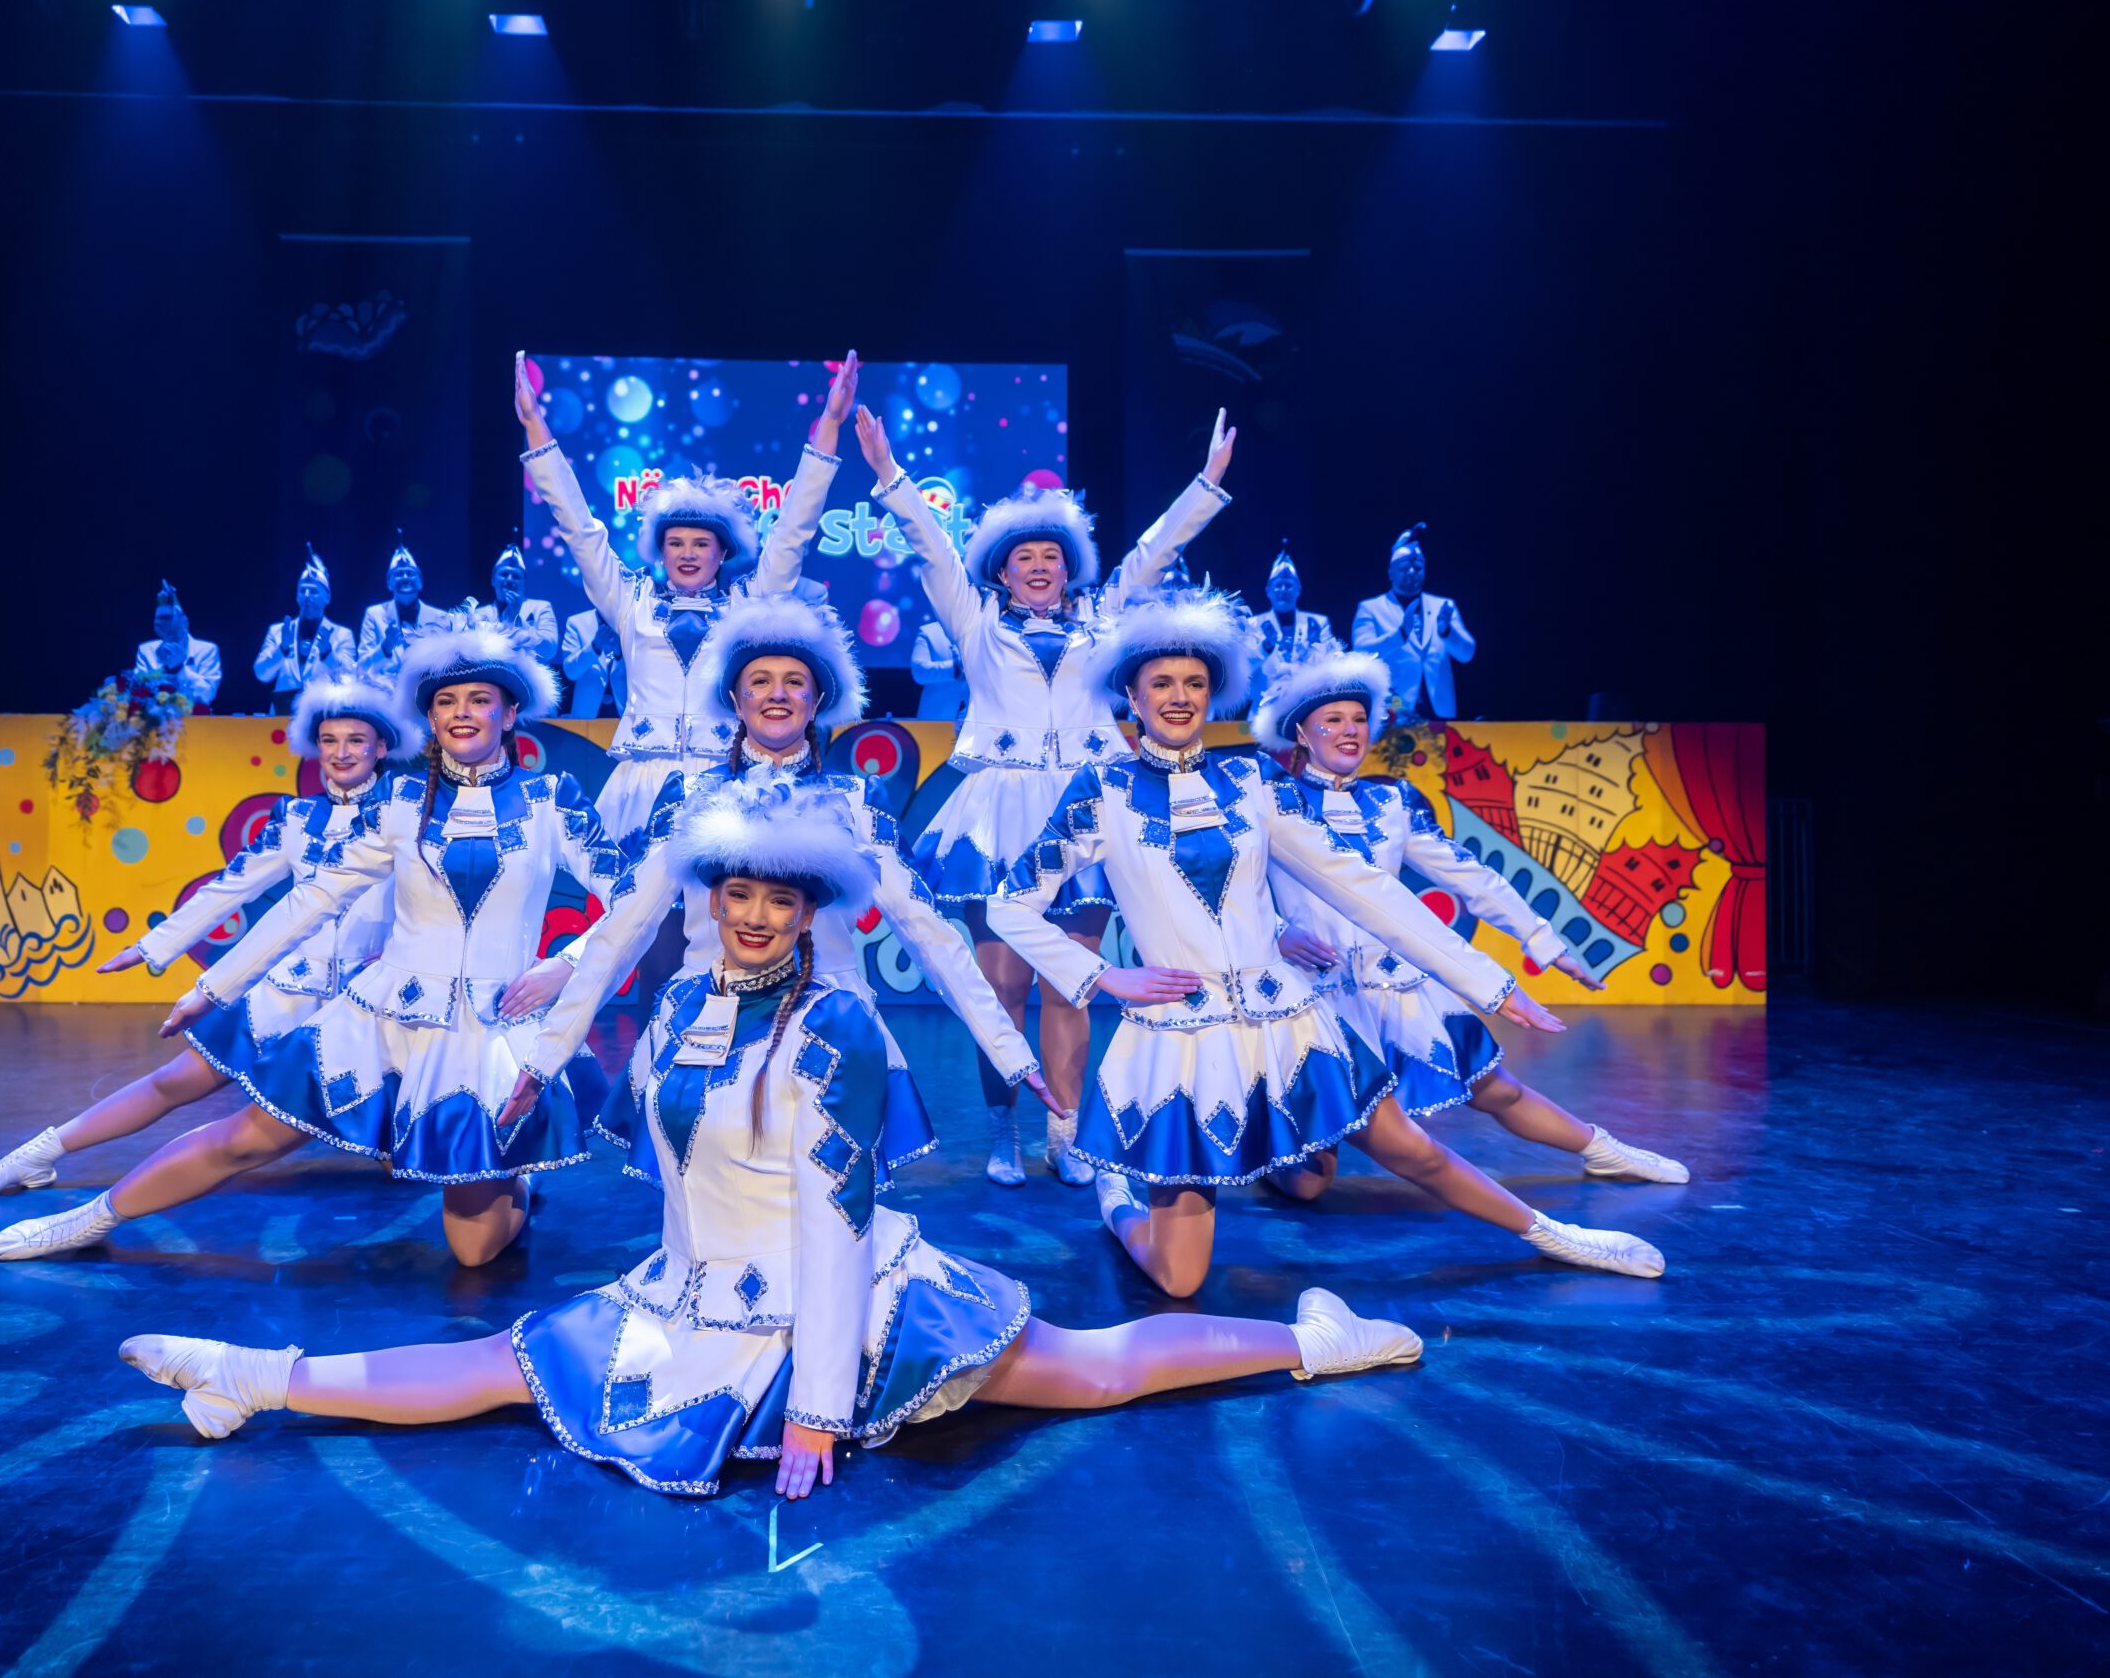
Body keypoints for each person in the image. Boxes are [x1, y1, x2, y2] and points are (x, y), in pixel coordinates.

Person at [117, 779, 1428, 1498]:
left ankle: (1314, 1339)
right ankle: (256, 1375)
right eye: (736, 894)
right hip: (689, 1298)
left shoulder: (841, 1028)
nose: (752, 916)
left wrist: (815, 1407)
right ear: (713, 900)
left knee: (1088, 1371)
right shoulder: (678, 1005)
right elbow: (678, 1174)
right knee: (499, 1363)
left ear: (810, 914)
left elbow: (835, 1221)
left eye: (778, 902)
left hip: (843, 1309)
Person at [985, 590, 1666, 1297]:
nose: (1179, 697)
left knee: (1414, 1150)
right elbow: (1008, 904)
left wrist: (1490, 984)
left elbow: (1367, 890)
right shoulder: (1101, 789)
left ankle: (1554, 1233)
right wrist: (1102, 975)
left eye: (1194, 683)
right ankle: (1118, 1202)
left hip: (1292, 1024)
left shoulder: (1249, 779)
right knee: (1180, 1280)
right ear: (1133, 695)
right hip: (1182, 1040)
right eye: (1162, 683)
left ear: (1212, 695)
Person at [0, 627, 618, 1267]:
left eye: (480, 700)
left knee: (474, 1252)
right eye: (447, 702)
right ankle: (90, 1218)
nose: (462, 713)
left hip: (489, 1033)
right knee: (245, 1140)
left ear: (509, 714)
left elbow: (632, 899)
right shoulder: (399, 803)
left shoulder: (552, 800)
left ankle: (516, 1179)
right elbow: (308, 901)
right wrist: (212, 989)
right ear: (430, 718)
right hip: (381, 1020)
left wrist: (565, 966)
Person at [496, 593, 1062, 1177]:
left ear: (816, 701)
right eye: (760, 681)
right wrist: (547, 1057)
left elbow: (929, 933)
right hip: (706, 1025)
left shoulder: (854, 801)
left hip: (828, 1030)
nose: (777, 694)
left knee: (825, 1213)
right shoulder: (691, 797)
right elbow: (624, 928)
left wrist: (1008, 1049)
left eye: (795, 682)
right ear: (735, 700)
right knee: (707, 1212)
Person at [859, 404, 1236, 1187]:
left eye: (1051, 557)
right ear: (1000, 571)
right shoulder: (975, 621)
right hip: (998, 817)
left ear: (1069, 568)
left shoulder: (1103, 618)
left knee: (1074, 982)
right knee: (1003, 986)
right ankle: (1004, 1130)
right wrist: (889, 473)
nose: (1038, 567)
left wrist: (1206, 483)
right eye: (1024, 557)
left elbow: (1155, 553)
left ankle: (1064, 1132)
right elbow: (930, 546)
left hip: (1084, 814)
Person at [0, 674, 404, 1205]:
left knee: (404, 1146)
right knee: (174, 1082)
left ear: (381, 747)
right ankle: (35, 1155)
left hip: (371, 1000)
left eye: (356, 740)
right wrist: (152, 948)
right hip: (288, 990)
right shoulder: (297, 818)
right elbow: (229, 887)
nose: (342, 752)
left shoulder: (408, 816)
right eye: (330, 740)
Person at [1249, 650, 1689, 1196]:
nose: (1349, 730)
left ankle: (1604, 1150)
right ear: (1301, 733)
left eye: (1358, 718)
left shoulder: (1390, 803)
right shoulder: (1271, 803)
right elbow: (1231, 886)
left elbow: (1472, 876)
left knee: (1498, 1090)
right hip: (1319, 997)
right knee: (1310, 1184)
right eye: (1332, 720)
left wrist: (1545, 942)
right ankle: (1270, 1148)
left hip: (1396, 987)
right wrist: (1278, 933)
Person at [515, 348, 859, 853]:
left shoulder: (747, 604)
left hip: (727, 781)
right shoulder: (630, 600)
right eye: (675, 543)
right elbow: (579, 528)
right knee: (631, 898)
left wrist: (830, 424)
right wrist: (535, 427)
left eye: (701, 543)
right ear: (660, 551)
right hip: (640, 782)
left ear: (723, 552)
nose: (688, 553)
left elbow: (793, 531)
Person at [1350, 526, 1473, 719]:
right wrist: (1400, 635)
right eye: (1404, 567)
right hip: (1394, 710)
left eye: (1418, 567)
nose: (1412, 571)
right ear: (1391, 572)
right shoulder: (1371, 608)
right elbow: (1361, 652)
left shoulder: (1443, 606)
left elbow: (1467, 654)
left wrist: (1446, 631)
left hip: (1439, 711)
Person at [256, 550, 358, 709]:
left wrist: (327, 653)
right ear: (297, 596)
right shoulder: (278, 631)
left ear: (327, 598)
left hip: (322, 715)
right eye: (302, 590)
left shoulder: (343, 634)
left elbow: (350, 678)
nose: (307, 595)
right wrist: (282, 649)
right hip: (281, 717)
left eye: (314, 591)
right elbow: (261, 674)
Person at [357, 540, 444, 680]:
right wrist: (386, 647)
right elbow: (362, 668)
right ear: (388, 583)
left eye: (410, 573)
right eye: (398, 574)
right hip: (385, 691)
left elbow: (445, 666)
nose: (405, 578)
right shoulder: (374, 614)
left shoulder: (439, 617)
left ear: (421, 582)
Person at [1253, 548, 1340, 686]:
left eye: (1288, 585)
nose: (1283, 590)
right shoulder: (1253, 623)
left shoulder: (1318, 622)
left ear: (1298, 589)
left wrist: (1316, 643)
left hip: (1307, 695)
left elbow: (1332, 664)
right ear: (1268, 591)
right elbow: (1244, 668)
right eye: (1278, 585)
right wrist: (1265, 647)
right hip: (1264, 697)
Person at [469, 543, 561, 670]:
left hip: (530, 679)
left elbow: (549, 650)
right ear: (493, 580)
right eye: (504, 574)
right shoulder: (479, 614)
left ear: (524, 583)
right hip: (493, 678)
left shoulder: (541, 607)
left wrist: (517, 621)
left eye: (516, 576)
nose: (509, 580)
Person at [133, 580, 223, 708]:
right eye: (157, 618)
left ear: (184, 622)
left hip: (195, 717)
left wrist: (179, 669)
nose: (158, 622)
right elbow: (138, 691)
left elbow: (207, 695)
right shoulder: (146, 650)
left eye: (166, 617)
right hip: (154, 717)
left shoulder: (207, 650)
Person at [559, 607, 625, 718]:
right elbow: (570, 671)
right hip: (587, 715)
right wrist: (595, 647)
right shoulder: (576, 622)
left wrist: (620, 655)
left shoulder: (633, 622)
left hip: (625, 713)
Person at [908, 616, 965, 721]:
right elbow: (919, 671)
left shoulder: (988, 631)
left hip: (981, 720)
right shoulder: (929, 632)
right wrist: (957, 667)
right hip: (937, 722)